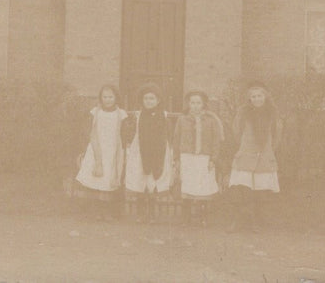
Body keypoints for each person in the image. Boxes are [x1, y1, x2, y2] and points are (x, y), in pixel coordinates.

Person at [227, 80, 281, 233]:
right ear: (249, 99)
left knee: (260, 192)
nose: (257, 99)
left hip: (264, 158)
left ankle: (255, 223)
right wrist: (246, 147)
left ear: (266, 97)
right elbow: (236, 132)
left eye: (260, 96)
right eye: (253, 96)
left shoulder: (273, 114)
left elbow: (277, 136)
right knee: (241, 191)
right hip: (246, 156)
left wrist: (268, 150)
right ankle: (237, 221)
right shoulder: (243, 113)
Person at [122, 82, 174, 223]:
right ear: (142, 100)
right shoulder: (138, 116)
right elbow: (132, 133)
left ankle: (151, 213)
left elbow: (168, 135)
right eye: (146, 98)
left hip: (158, 152)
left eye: (152, 98)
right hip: (140, 152)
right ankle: (141, 213)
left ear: (158, 100)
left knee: (153, 182)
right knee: (141, 181)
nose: (149, 101)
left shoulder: (163, 116)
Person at [74, 85, 127, 220]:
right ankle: (94, 211)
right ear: (100, 98)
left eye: (110, 97)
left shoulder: (121, 114)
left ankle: (107, 212)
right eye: (105, 97)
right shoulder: (95, 112)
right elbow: (88, 131)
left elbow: (125, 133)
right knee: (94, 178)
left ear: (116, 98)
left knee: (108, 179)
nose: (108, 100)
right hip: (96, 148)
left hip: (112, 150)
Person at [172, 90, 225, 226]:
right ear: (188, 104)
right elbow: (176, 139)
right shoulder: (182, 119)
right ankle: (186, 217)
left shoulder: (211, 120)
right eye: (192, 103)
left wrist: (213, 158)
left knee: (203, 186)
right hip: (187, 157)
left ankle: (203, 216)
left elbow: (216, 141)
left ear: (203, 104)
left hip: (204, 158)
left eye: (198, 103)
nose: (195, 106)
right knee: (188, 186)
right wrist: (176, 158)